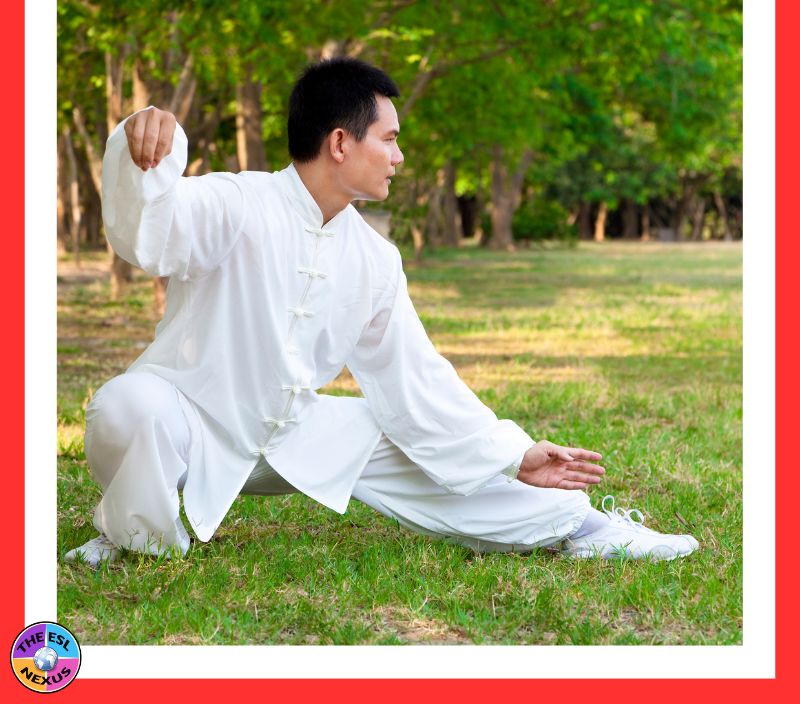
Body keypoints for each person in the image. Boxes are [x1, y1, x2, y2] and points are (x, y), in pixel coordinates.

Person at [64, 58, 699, 568]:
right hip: (190, 425)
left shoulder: (374, 258)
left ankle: (583, 527)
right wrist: (142, 141)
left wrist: (515, 453)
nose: (399, 157)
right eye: (389, 140)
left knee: (422, 440)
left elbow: (416, 380)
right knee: (129, 405)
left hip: (295, 435)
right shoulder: (237, 202)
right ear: (340, 142)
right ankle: (135, 543)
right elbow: (149, 230)